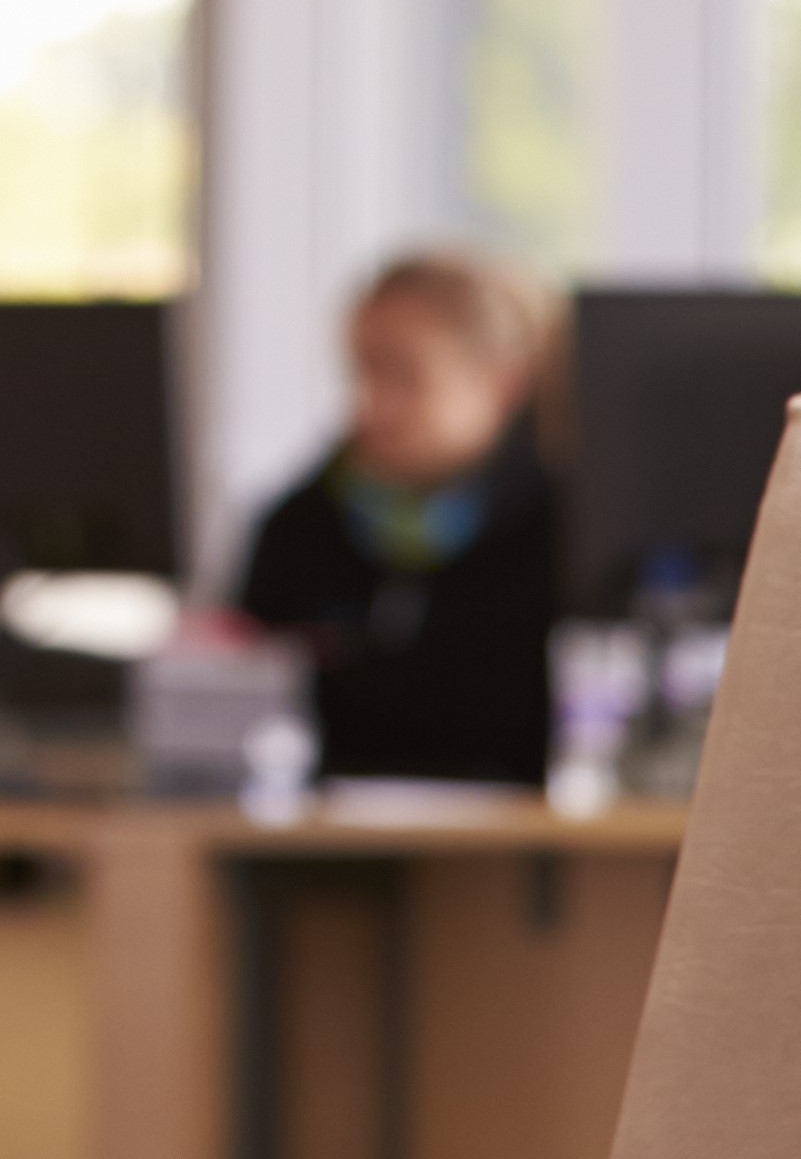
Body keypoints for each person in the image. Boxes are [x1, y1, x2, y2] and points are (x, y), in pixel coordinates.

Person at [237, 247, 564, 787]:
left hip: (516, 851)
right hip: (319, 851)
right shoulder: (299, 526)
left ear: (501, 384)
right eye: (363, 371)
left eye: (404, 375)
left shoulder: (564, 535)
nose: (373, 404)